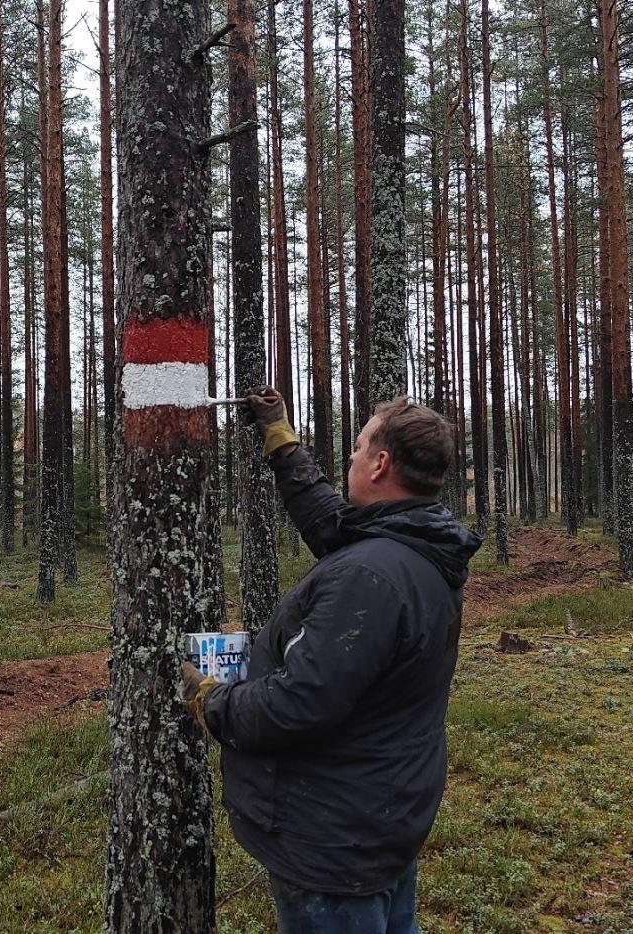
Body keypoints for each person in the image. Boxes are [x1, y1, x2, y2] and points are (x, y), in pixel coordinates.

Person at [180, 390, 482, 934]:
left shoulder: (369, 578)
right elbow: (331, 523)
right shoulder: (412, 543)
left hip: (334, 841)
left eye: (360, 444)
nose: (350, 455)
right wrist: (280, 439)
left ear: (381, 463)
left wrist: (213, 701)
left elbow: (297, 703)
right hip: (381, 815)